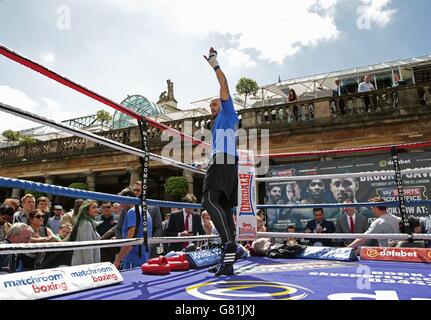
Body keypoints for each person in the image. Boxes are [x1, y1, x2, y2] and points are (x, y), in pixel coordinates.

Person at [201, 47, 239, 277]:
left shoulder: (228, 112)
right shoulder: (218, 124)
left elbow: (223, 86)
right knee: (223, 207)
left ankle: (228, 243)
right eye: (211, 106)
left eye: (214, 104)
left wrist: (215, 64)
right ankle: (228, 263)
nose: (211, 108)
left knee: (208, 199)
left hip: (224, 162)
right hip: (226, 162)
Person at [114, 192, 153, 270]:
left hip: (132, 259)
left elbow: (130, 239)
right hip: (143, 258)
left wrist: (117, 260)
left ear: (128, 199)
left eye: (121, 200)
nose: (120, 204)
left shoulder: (132, 212)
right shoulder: (145, 212)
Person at [132, 180, 163, 258]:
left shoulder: (154, 207)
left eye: (138, 190)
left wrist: (151, 244)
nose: (135, 192)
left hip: (148, 249)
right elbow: (119, 227)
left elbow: (158, 228)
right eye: (134, 190)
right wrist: (122, 243)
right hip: (131, 248)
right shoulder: (128, 205)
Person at [69, 200, 101, 266]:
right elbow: (87, 249)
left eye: (97, 207)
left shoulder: (89, 223)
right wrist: (91, 267)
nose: (96, 210)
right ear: (86, 210)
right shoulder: (86, 224)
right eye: (94, 207)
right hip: (84, 266)